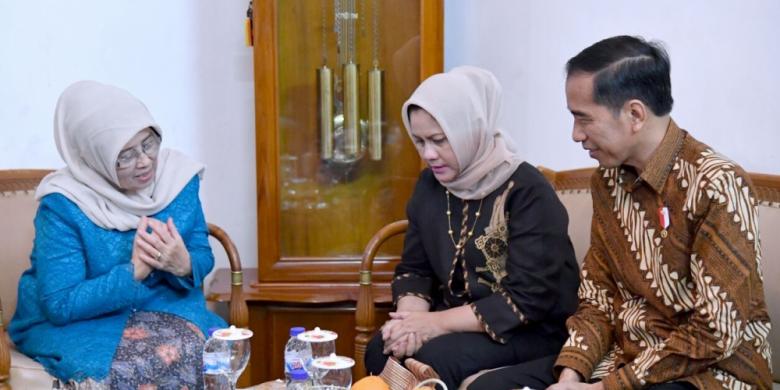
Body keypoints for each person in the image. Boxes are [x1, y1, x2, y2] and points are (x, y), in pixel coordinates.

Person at [542, 36, 771, 389]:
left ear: (635, 114)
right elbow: (597, 297)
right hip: (625, 360)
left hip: (711, 373)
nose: (575, 135)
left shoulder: (717, 183)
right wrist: (572, 377)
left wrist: (606, 387)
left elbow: (715, 331)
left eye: (583, 119)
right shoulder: (608, 181)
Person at [363, 66, 580, 389]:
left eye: (439, 140)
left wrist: (434, 324)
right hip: (455, 322)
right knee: (381, 349)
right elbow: (415, 269)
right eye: (419, 141)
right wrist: (409, 321)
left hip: (529, 330)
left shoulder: (526, 191)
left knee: (437, 358)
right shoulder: (430, 186)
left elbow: (527, 299)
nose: (428, 154)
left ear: (471, 130)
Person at [9, 81, 227, 388]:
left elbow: (201, 253)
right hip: (83, 323)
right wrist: (134, 272)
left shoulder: (176, 179)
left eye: (148, 143)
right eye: (124, 155)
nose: (144, 161)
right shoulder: (64, 205)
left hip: (164, 307)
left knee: (204, 348)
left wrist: (185, 265)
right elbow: (60, 304)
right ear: (93, 156)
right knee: (127, 367)